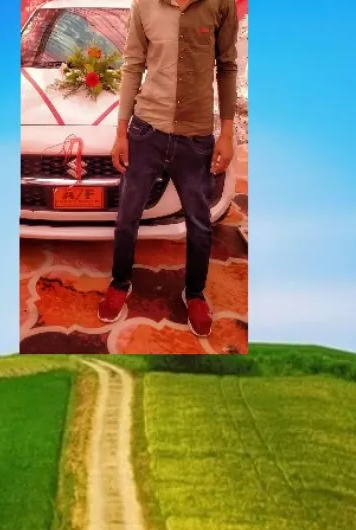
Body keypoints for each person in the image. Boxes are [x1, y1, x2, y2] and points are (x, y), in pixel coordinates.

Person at [98, 0, 238, 337]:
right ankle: (120, 282)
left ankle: (194, 293)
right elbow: (133, 65)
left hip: (196, 137)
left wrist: (228, 134)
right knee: (127, 215)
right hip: (147, 131)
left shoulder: (220, 4)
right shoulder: (143, 4)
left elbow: (227, 66)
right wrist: (121, 133)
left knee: (200, 223)